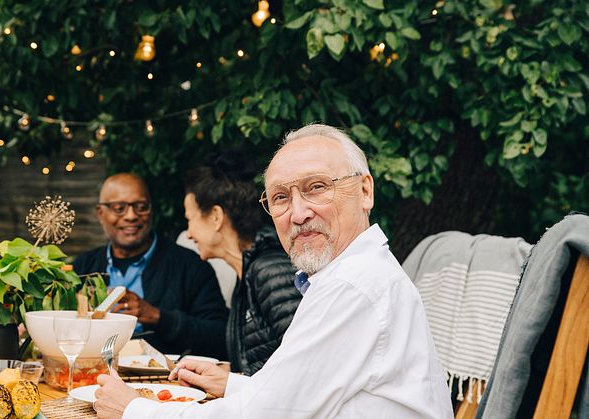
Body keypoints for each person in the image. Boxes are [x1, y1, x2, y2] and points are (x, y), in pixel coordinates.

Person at [93, 124, 454, 418]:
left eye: (317, 188)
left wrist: (133, 409)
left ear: (364, 191)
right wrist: (233, 384)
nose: (297, 213)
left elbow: (269, 414)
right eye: (280, 197)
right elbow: (301, 390)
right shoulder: (346, 275)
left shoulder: (352, 285)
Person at [72, 173, 229, 359]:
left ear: (151, 210)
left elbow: (221, 337)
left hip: (167, 381)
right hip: (91, 372)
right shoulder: (83, 267)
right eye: (119, 208)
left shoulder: (191, 266)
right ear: (101, 214)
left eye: (141, 207)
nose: (131, 216)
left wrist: (157, 317)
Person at [182, 152, 302, 375]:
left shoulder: (270, 271)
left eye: (190, 219)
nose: (188, 233)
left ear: (216, 217)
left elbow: (303, 368)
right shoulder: (247, 271)